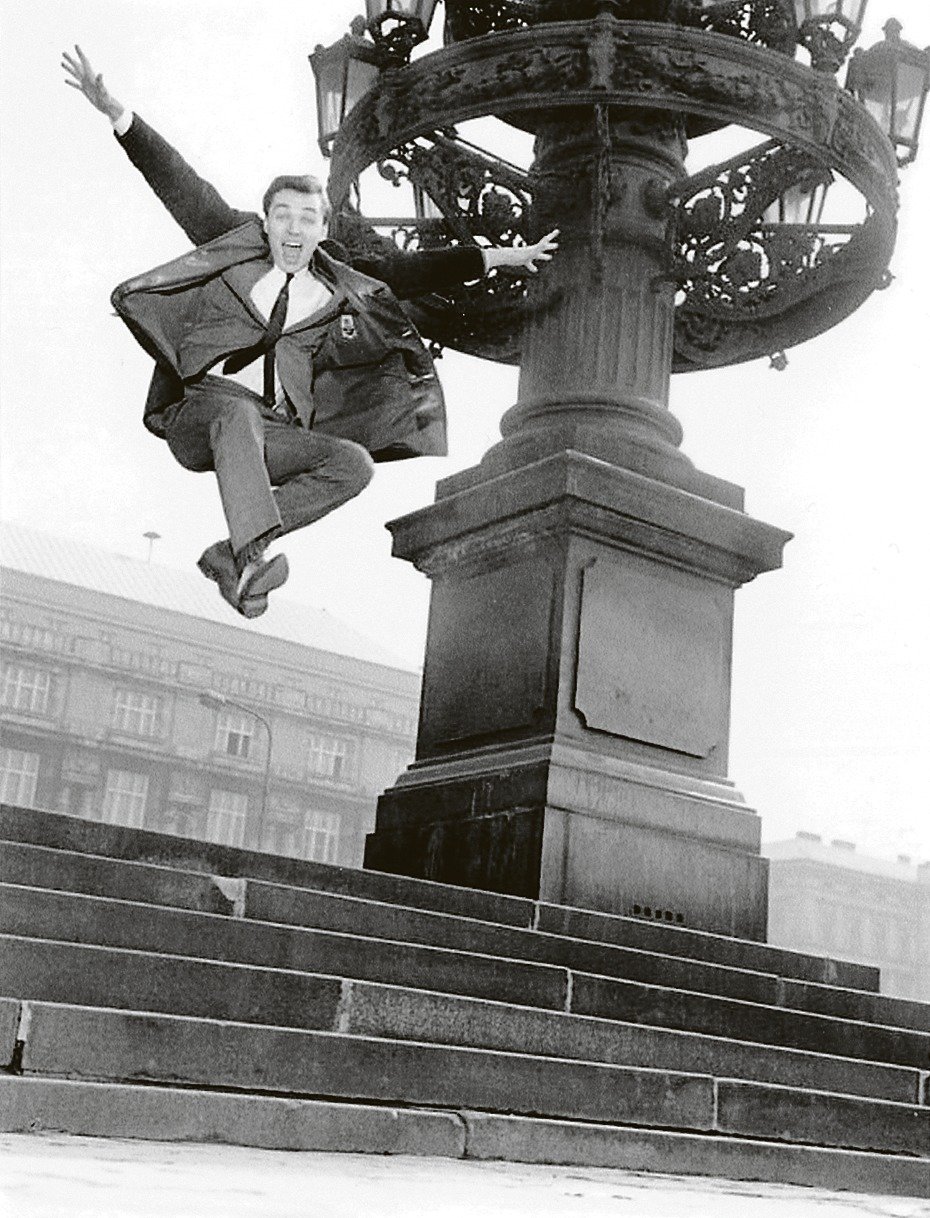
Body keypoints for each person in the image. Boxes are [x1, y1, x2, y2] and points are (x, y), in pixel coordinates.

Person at [62, 47, 559, 617]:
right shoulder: (235, 245)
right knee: (236, 413)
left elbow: (411, 270)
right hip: (201, 416)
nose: (294, 229)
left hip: (271, 434)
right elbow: (178, 182)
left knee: (353, 463)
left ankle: (232, 555)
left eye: (308, 219)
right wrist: (118, 116)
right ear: (266, 220)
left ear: (323, 230)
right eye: (284, 216)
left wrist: (505, 254)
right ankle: (251, 552)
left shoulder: (342, 284)